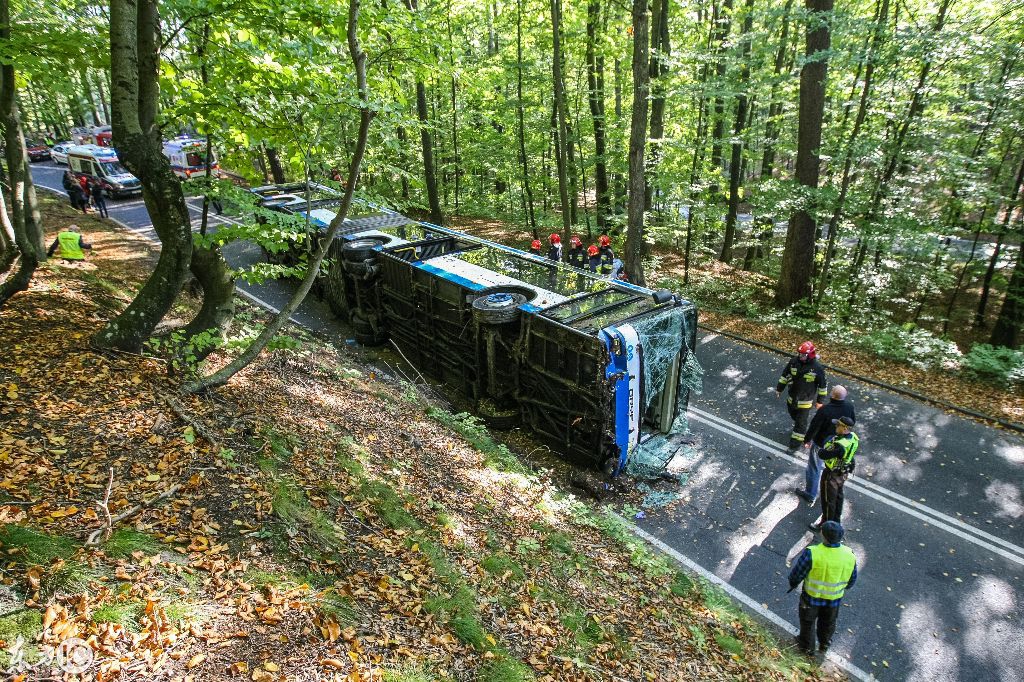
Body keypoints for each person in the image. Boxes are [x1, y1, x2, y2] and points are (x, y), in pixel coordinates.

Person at [788, 520, 857, 656]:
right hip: (834, 599)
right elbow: (852, 579)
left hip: (811, 598)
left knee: (808, 622)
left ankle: (807, 647)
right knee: (828, 622)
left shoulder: (812, 553)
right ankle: (824, 643)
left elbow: (798, 573)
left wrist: (793, 583)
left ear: (823, 535)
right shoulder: (849, 554)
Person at [796, 386, 855, 505]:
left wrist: (807, 439)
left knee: (814, 467)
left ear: (832, 395)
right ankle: (830, 496)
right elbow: (852, 422)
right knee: (833, 471)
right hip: (839, 445)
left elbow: (814, 426)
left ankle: (810, 493)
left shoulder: (825, 410)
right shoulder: (849, 407)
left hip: (821, 443)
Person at [775, 341, 828, 449]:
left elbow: (822, 386)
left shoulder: (817, 368)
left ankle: (794, 446)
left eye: (803, 355)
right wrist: (779, 389)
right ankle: (800, 427)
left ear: (810, 355)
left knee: (800, 424)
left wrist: (820, 401)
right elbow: (785, 375)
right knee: (794, 416)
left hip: (805, 401)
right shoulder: (794, 362)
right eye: (800, 354)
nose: (800, 356)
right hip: (792, 398)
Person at [810, 416, 859, 532]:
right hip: (843, 473)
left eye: (838, 425)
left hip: (831, 474)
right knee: (838, 498)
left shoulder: (839, 445)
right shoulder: (853, 438)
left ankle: (826, 525)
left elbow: (823, 455)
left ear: (845, 428)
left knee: (828, 500)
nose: (836, 426)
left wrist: (821, 450)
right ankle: (836, 522)